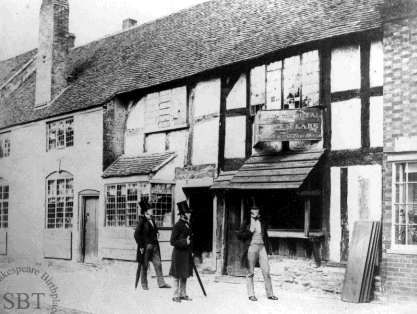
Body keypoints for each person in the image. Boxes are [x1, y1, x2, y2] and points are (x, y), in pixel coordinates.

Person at [237, 197, 278, 301]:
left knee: (266, 271)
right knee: (250, 272)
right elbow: (239, 236)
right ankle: (251, 294)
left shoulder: (262, 222)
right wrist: (250, 231)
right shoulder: (246, 222)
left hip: (262, 247)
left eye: (257, 209)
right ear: (250, 210)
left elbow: (266, 236)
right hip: (251, 247)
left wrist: (268, 248)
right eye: (253, 209)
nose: (255, 211)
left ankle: (270, 294)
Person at [134, 200, 171, 290]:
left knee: (158, 264)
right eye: (150, 209)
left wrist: (157, 233)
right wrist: (141, 246)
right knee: (144, 266)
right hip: (146, 248)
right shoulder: (142, 221)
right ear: (145, 211)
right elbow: (136, 235)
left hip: (154, 247)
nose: (152, 210)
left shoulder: (152, 220)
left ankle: (161, 283)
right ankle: (144, 284)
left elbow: (154, 230)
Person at [169, 201, 194, 303]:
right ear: (183, 214)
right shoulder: (177, 226)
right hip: (178, 254)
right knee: (176, 276)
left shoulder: (187, 224)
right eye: (188, 213)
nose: (190, 214)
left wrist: (191, 250)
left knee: (184, 274)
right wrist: (185, 242)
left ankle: (182, 294)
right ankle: (175, 295)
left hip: (186, 254)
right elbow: (172, 241)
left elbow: (190, 239)